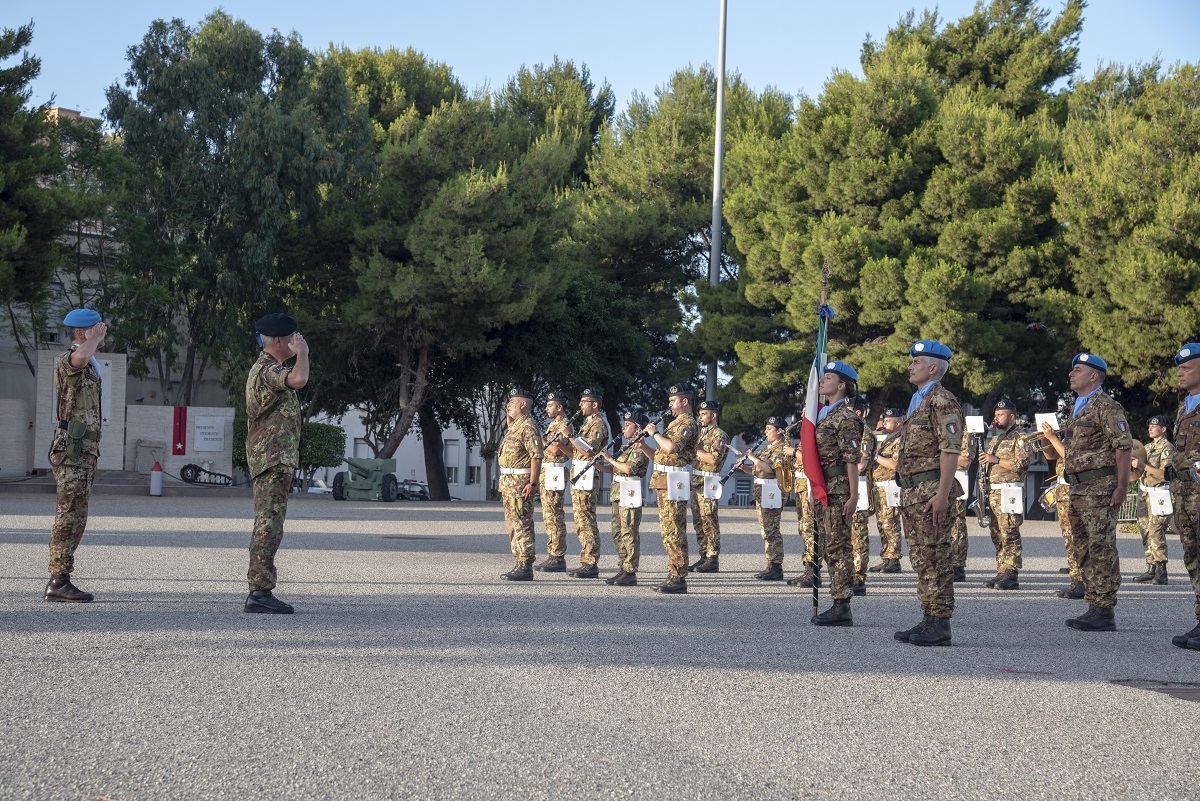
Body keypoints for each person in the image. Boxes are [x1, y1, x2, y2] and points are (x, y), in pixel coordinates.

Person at [893, 340, 965, 647]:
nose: (911, 365)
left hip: (931, 490)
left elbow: (950, 450)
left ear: (933, 368)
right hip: (914, 491)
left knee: (936, 556)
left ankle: (941, 623)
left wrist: (942, 493)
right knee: (922, 558)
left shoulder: (941, 400)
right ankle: (928, 617)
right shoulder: (918, 400)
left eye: (917, 362)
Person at [1060, 353, 1132, 632]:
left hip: (1100, 489)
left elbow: (1123, 447)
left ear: (1093, 376)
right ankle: (1094, 604)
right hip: (1078, 488)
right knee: (1083, 548)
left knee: (1101, 548)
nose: (1071, 374)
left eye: (1077, 369)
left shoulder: (1107, 406)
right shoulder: (1078, 407)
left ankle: (1104, 609)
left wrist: (1122, 487)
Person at [243, 313, 310, 613]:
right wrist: (304, 354)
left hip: (273, 458)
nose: (298, 341)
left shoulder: (268, 368)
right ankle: (259, 591)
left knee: (270, 523)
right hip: (271, 459)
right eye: (294, 337)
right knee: (268, 525)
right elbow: (299, 379)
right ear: (281, 340)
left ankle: (260, 589)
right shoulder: (267, 370)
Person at [44, 308, 107, 603]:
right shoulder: (69, 360)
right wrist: (93, 338)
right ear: (83, 332)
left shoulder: (92, 365)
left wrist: (93, 339)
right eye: (98, 328)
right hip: (72, 448)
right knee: (67, 513)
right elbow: (78, 359)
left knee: (78, 515)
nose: (104, 332)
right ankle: (58, 580)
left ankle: (62, 578)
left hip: (85, 450)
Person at [809, 361, 866, 626]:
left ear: (841, 386)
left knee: (838, 546)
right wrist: (813, 489)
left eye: (828, 377)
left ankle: (842, 604)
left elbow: (852, 461)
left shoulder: (846, 418)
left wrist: (854, 497)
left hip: (839, 489)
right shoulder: (822, 415)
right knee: (828, 547)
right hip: (824, 489)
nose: (822, 381)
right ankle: (837, 599)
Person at [640, 384, 698, 594]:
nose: (669, 404)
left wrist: (654, 433)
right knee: (667, 529)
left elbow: (672, 448)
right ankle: (674, 571)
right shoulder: (675, 423)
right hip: (665, 479)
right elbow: (660, 454)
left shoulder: (687, 423)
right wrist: (643, 445)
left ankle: (678, 575)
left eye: (673, 401)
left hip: (674, 480)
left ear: (685, 401)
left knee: (674, 528)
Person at [1168, 343, 1200, 651]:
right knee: (1192, 558)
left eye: (1187, 367)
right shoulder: (1185, 405)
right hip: (1184, 495)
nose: (1181, 371)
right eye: (1180, 367)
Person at [980, 399, 1030, 591]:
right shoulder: (995, 439)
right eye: (995, 414)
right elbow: (987, 462)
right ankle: (1002, 569)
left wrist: (996, 459)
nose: (996, 418)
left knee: (1009, 532)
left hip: (1009, 491)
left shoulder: (1021, 438)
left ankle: (1012, 572)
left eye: (1000, 415)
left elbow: (1021, 465)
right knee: (997, 533)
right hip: (993, 491)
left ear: (1011, 416)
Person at [597, 412, 650, 586]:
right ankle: (623, 567)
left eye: (627, 424)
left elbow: (628, 469)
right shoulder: (627, 446)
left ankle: (630, 571)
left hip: (629, 493)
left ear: (638, 429)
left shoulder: (640, 449)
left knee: (629, 532)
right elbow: (615, 469)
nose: (623, 428)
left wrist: (609, 458)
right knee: (617, 532)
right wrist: (598, 464)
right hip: (618, 493)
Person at [498, 388, 544, 581]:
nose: (509, 404)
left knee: (522, 523)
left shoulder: (528, 426)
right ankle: (519, 560)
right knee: (512, 524)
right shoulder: (516, 425)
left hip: (520, 484)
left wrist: (533, 483)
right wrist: (510, 415)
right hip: (508, 483)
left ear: (523, 404)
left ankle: (526, 565)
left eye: (513, 401)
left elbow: (536, 456)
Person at [741, 416, 791, 581]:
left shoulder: (783, 449)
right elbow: (756, 470)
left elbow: (770, 469)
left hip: (772, 492)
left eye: (769, 429)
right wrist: (744, 467)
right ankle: (770, 564)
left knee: (771, 529)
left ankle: (776, 566)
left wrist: (753, 458)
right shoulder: (767, 449)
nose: (765, 432)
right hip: (762, 492)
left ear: (779, 431)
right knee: (765, 530)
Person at [1038, 424, 1084, 599]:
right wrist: (1044, 438)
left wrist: (1052, 438)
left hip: (1075, 494)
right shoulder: (1065, 440)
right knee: (1069, 539)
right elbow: (1051, 455)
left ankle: (1082, 582)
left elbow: (1069, 457)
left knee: (1077, 538)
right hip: (1063, 495)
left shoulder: (1081, 441)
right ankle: (1076, 580)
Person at [568, 388, 610, 578]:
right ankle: (586, 559)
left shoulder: (598, 424)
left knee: (587, 519)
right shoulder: (588, 423)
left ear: (594, 404)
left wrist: (570, 436)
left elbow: (589, 451)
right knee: (580, 520)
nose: (580, 405)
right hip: (579, 473)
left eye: (584, 402)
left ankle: (591, 562)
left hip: (587, 475)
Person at [1133, 415, 1174, 585]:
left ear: (1163, 429)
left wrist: (1142, 466)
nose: (1150, 428)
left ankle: (1161, 570)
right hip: (1144, 493)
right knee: (1145, 530)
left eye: (1154, 426)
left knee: (1156, 531)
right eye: (1149, 425)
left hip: (1159, 494)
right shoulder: (1146, 448)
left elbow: (1165, 474)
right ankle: (1151, 567)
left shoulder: (1167, 448)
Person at [535, 391, 573, 573]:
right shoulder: (553, 425)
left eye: (550, 405)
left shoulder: (564, 425)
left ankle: (557, 557)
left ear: (559, 407)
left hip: (554, 472)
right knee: (549, 515)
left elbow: (556, 450)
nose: (546, 408)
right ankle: (553, 554)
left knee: (554, 514)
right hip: (547, 471)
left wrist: (539, 438)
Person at [689, 400, 729, 573]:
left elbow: (713, 459)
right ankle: (704, 555)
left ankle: (713, 558)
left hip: (709, 482)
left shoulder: (719, 435)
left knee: (709, 520)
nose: (700, 417)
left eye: (703, 414)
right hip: (697, 481)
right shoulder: (701, 435)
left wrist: (693, 449)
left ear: (713, 415)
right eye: (699, 414)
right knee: (698, 521)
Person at [868, 408, 905, 574]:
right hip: (880, 486)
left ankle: (894, 559)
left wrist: (875, 456)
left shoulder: (901, 439)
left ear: (898, 423)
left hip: (891, 486)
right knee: (882, 523)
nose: (884, 423)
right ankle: (886, 557)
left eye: (888, 421)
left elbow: (896, 465)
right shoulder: (886, 439)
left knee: (891, 523)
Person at [849, 395, 875, 595]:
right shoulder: (847, 431)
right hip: (846, 485)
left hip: (858, 486)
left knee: (858, 535)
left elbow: (860, 465)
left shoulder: (863, 433)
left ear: (857, 413)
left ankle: (859, 578)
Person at [949, 431, 976, 582]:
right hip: (940, 478)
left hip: (956, 479)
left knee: (956, 524)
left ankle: (957, 566)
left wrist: (940, 456)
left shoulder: (965, 432)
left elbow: (965, 461)